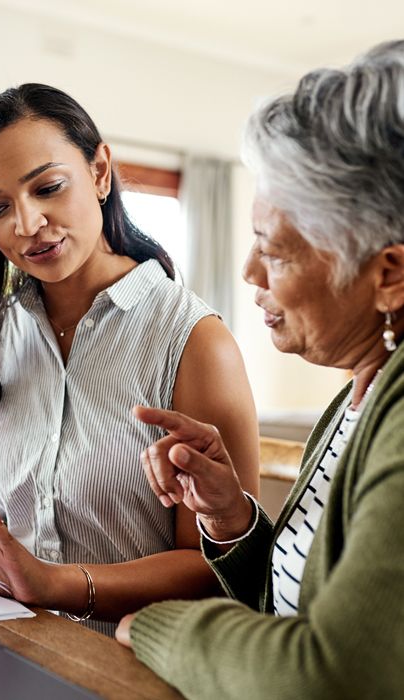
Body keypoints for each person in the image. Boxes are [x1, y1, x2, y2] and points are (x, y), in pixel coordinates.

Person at [0, 83, 259, 636]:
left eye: (47, 187)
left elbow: (220, 566)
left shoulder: (194, 341)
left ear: (99, 172)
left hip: (125, 665)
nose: (26, 225)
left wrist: (56, 582)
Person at [115, 40, 404, 698]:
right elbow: (294, 606)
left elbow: (334, 674)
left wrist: (167, 628)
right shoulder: (356, 395)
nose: (248, 274)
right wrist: (231, 520)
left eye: (273, 250)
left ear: (389, 274)